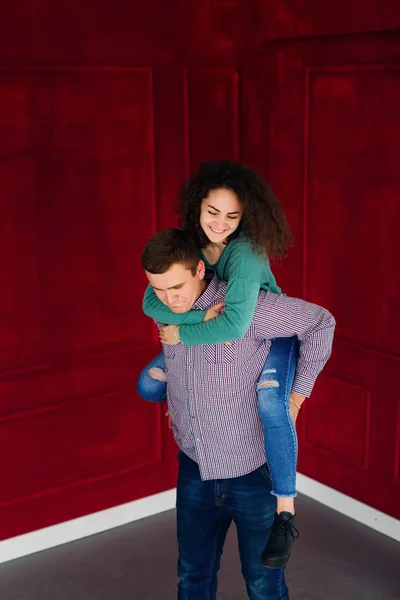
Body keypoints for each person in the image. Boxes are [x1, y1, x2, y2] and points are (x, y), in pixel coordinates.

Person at [141, 228, 335, 599]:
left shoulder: (248, 308)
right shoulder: (166, 306)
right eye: (158, 290)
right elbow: (181, 363)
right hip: (195, 468)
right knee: (192, 576)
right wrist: (179, 400)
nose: (168, 300)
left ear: (199, 269)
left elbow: (320, 323)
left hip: (252, 475)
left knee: (264, 586)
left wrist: (296, 397)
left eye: (176, 287)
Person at [137, 161, 303, 568]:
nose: (221, 223)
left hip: (266, 334)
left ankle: (286, 510)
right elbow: (150, 300)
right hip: (207, 328)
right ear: (198, 207)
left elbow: (233, 323)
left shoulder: (244, 254)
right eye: (213, 212)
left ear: (245, 216)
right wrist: (191, 324)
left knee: (270, 407)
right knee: (148, 385)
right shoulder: (190, 244)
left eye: (232, 215)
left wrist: (296, 396)